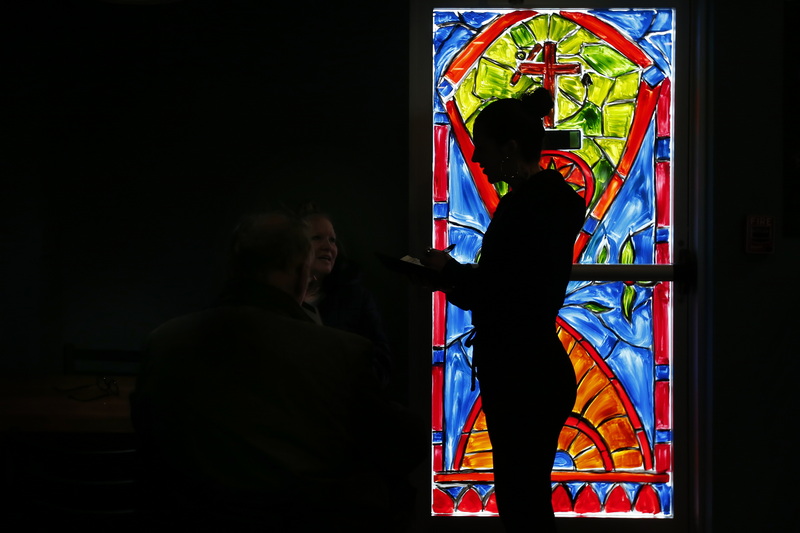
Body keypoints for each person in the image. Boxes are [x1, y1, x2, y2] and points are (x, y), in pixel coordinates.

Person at [131, 211, 423, 531]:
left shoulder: (163, 342)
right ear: (301, 271)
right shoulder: (341, 352)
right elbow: (403, 445)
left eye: (333, 240)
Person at [419, 88, 585, 532]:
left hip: (521, 375)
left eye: (483, 147)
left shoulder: (526, 209)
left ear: (510, 148)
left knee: (521, 498)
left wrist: (449, 272)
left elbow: (504, 293)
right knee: (525, 493)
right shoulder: (550, 204)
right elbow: (513, 288)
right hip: (535, 367)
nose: (476, 159)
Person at [297, 203, 394, 389]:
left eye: (332, 240)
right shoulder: (280, 297)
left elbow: (381, 364)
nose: (328, 247)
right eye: (317, 238)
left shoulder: (357, 299)